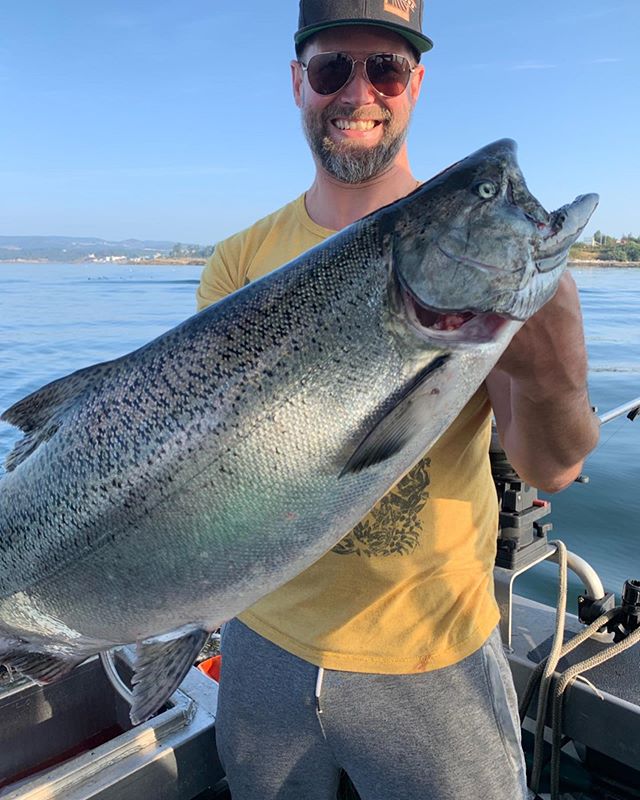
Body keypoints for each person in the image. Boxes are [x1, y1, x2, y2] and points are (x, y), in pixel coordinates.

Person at [196, 2, 600, 798]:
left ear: (415, 83)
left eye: (385, 68)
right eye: (331, 69)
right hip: (262, 642)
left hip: (432, 653)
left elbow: (552, 468)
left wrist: (552, 367)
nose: (358, 92)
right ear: (298, 84)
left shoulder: (493, 274)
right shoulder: (240, 262)